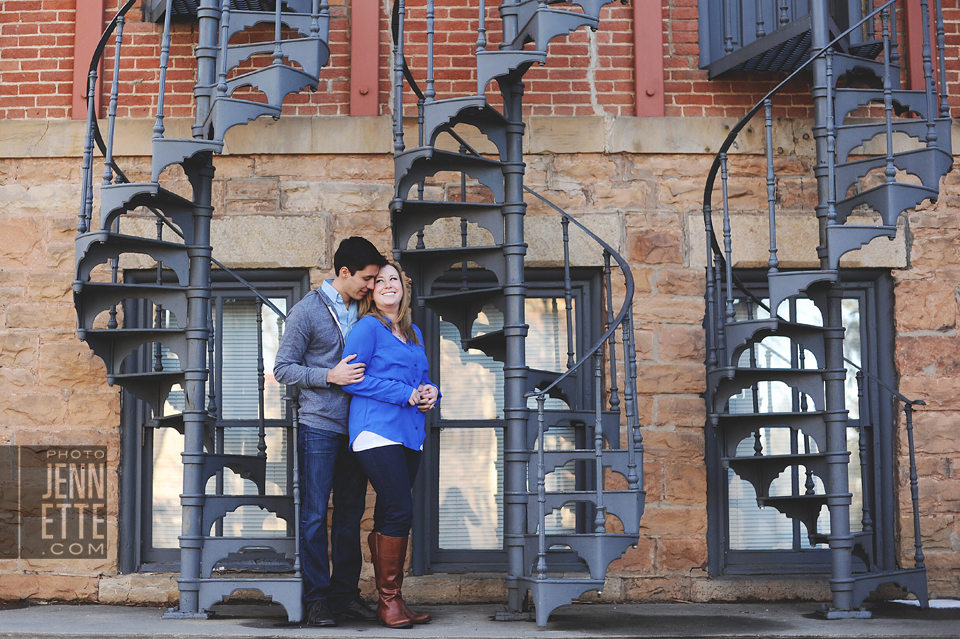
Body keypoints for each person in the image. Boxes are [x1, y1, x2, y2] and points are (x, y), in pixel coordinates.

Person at [274, 237, 387, 627]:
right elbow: (282, 368)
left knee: (351, 515)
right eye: (367, 278)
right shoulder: (306, 312)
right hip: (319, 428)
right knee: (313, 515)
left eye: (375, 279)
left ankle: (344, 596)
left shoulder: (368, 310)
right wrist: (328, 375)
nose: (371, 286)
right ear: (343, 273)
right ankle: (317, 599)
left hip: (359, 428)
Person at [342, 261, 439, 629]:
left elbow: (423, 378)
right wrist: (407, 394)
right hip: (375, 430)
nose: (386, 285)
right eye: (378, 281)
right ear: (372, 291)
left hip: (409, 433)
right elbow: (351, 380)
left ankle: (392, 600)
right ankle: (389, 600)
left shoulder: (412, 331)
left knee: (389, 513)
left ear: (403, 287)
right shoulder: (367, 328)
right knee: (401, 509)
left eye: (392, 279)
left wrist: (432, 392)